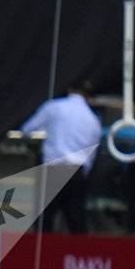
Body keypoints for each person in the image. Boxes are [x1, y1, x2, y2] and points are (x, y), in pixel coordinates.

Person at [20, 79, 102, 233]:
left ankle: (44, 255)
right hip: (77, 172)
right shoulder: (93, 119)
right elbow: (92, 153)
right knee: (76, 222)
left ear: (70, 90)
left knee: (44, 222)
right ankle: (77, 255)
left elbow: (27, 129)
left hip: (54, 169)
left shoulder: (55, 107)